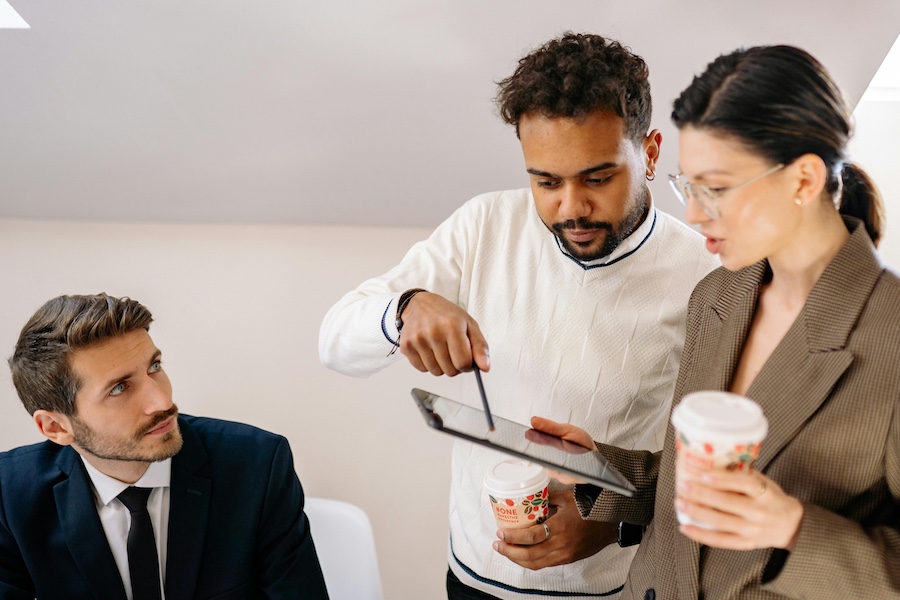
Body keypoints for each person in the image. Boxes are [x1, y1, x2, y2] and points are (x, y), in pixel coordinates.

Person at [319, 33, 718, 599]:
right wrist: (403, 309)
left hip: (618, 584)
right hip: (474, 576)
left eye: (598, 179)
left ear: (650, 153)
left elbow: (719, 462)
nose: (571, 207)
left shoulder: (706, 273)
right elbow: (334, 340)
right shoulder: (484, 226)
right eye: (546, 181)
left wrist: (618, 521)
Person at [536, 44, 898, 599]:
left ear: (803, 180)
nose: (694, 214)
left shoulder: (889, 335)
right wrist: (600, 468)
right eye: (689, 186)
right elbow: (704, 480)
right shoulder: (719, 295)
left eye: (717, 190)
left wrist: (793, 529)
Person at [0, 293, 330, 599]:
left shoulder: (257, 465)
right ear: (56, 427)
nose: (162, 401)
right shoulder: (11, 494)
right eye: (119, 388)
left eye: (154, 367)